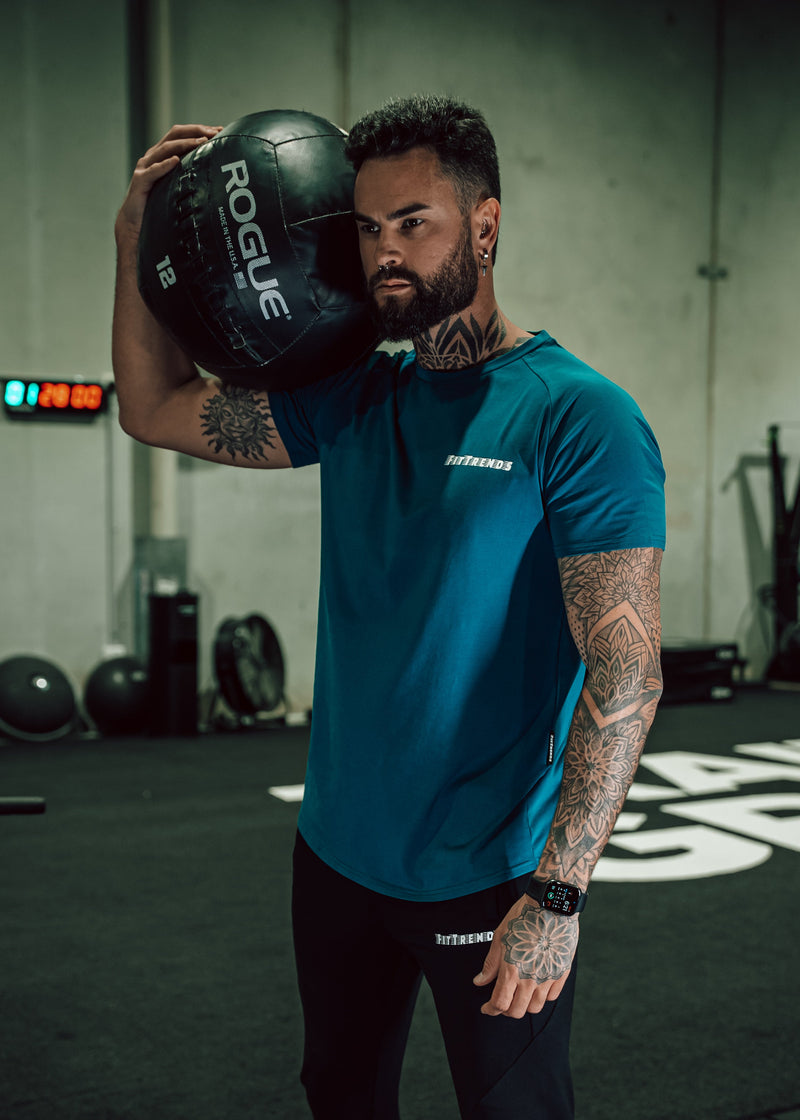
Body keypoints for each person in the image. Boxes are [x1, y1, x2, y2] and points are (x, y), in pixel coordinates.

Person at [113, 95, 666, 1119]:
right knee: (340, 1097)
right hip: (334, 860)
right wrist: (134, 240)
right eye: (367, 229)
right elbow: (150, 407)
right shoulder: (353, 397)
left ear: (485, 226)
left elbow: (625, 667)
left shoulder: (577, 415)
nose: (385, 255)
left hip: (488, 875)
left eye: (414, 222)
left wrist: (556, 894)